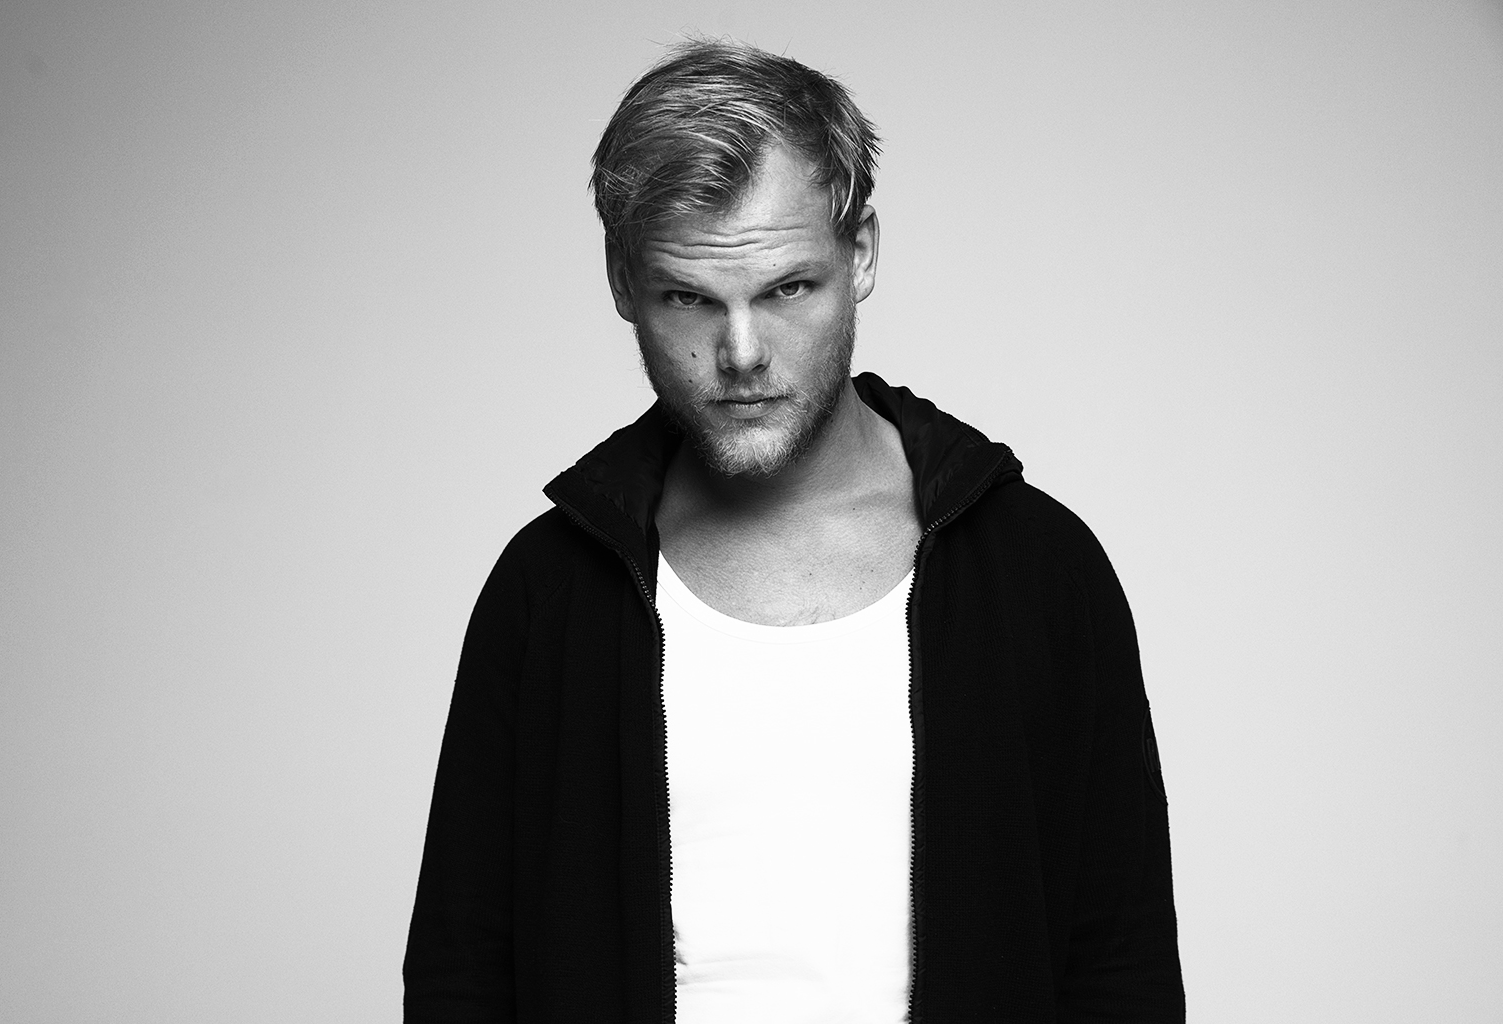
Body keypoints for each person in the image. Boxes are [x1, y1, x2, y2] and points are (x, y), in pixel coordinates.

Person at [404, 39, 1184, 1023]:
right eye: (688, 297)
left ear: (861, 256)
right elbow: (463, 972)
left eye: (787, 289)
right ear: (621, 281)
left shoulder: (1035, 569)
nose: (741, 353)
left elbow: (1119, 966)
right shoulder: (551, 588)